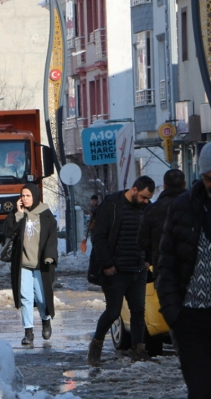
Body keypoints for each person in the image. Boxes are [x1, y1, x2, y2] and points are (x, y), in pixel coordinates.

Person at [156, 146, 211, 398]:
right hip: (192, 318)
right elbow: (166, 263)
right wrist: (173, 313)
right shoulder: (183, 207)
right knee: (201, 389)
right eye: (210, 178)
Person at [86, 176, 155, 367]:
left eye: (148, 198)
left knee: (138, 311)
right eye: (143, 197)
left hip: (138, 268)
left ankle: (139, 350)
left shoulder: (145, 209)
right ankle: (96, 346)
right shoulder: (112, 206)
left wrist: (148, 259)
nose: (146, 201)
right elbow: (99, 237)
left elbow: (149, 234)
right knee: (113, 311)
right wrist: (107, 264)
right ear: (134, 190)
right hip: (116, 270)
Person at [2, 183, 58, 346]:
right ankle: (28, 332)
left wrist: (49, 256)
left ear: (35, 196)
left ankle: (45, 320)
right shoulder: (18, 213)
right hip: (22, 264)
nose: (25, 199)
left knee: (41, 299)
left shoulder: (46, 215)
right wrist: (18, 214)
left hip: (41, 265)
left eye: (28, 196)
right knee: (25, 297)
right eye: (23, 195)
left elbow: (51, 239)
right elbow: (7, 231)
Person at [138, 169, 186, 279]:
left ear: (164, 185)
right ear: (184, 184)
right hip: (194, 269)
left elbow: (142, 241)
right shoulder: (198, 206)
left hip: (162, 268)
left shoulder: (152, 209)